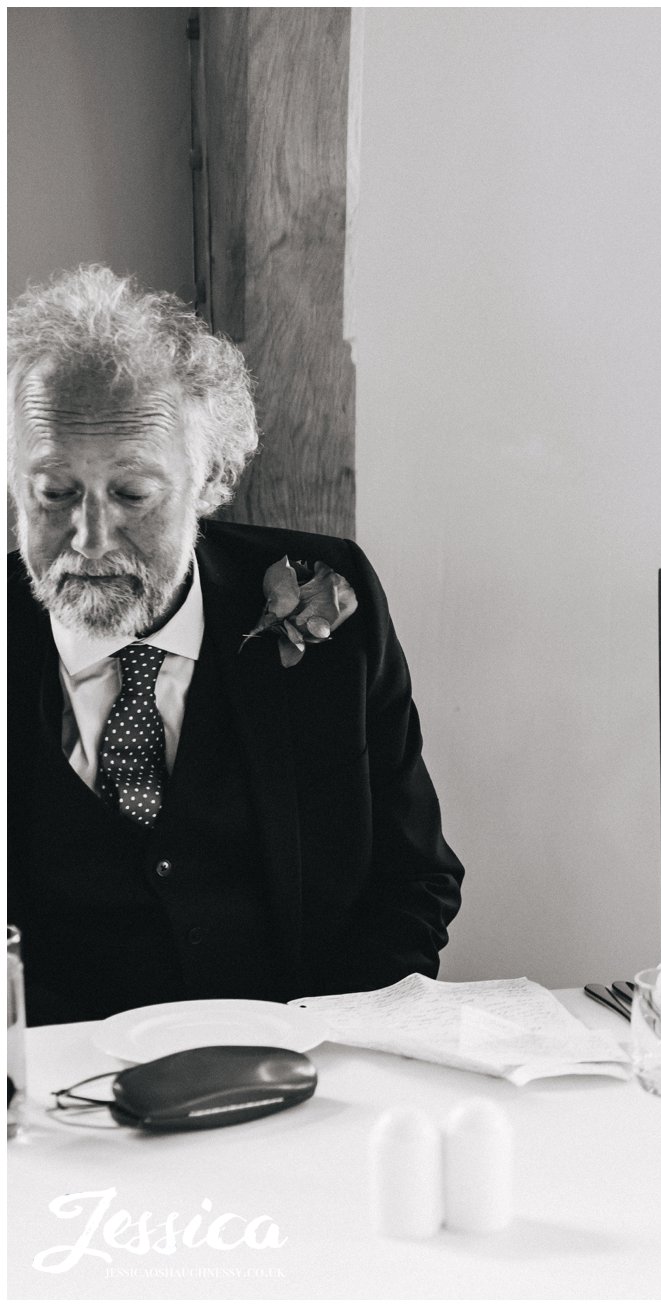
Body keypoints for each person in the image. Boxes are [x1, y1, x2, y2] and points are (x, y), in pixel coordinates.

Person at [8, 265, 465, 1023]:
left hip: (304, 1080)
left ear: (211, 479)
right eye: (54, 492)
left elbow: (413, 879)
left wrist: (323, 1045)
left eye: (131, 494)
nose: (88, 538)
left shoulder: (333, 597)